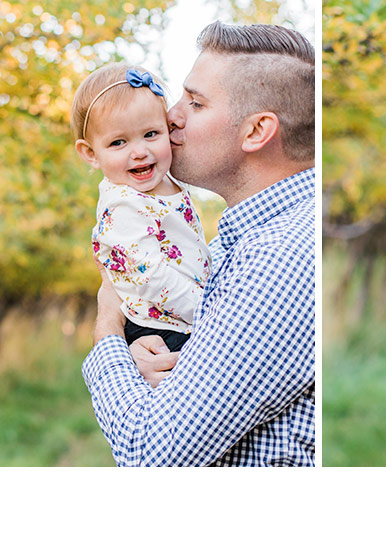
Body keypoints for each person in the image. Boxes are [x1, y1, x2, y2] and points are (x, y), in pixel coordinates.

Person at [82, 21, 316, 466]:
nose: (171, 115)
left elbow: (152, 455)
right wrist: (148, 359)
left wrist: (108, 331)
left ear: (255, 132)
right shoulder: (241, 241)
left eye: (195, 102)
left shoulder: (280, 259)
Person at [72, 63, 211, 352]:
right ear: (90, 153)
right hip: (160, 325)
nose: (139, 152)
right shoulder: (124, 205)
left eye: (151, 134)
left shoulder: (166, 180)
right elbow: (152, 278)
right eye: (118, 142)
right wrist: (210, 312)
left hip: (184, 313)